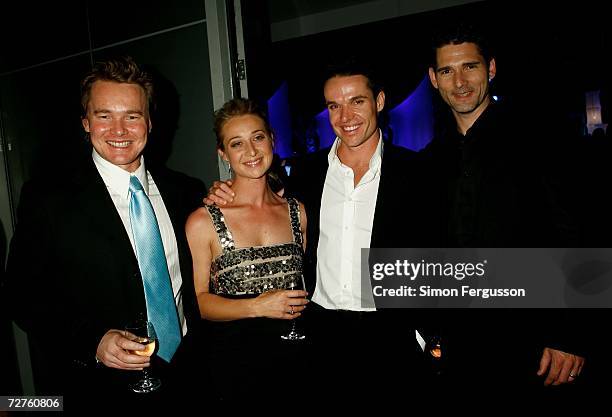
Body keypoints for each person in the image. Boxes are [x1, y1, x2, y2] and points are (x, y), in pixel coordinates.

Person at [205, 62, 439, 401]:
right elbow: (260, 196)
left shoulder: (417, 172)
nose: (346, 116)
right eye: (334, 105)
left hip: (390, 335)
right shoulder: (305, 173)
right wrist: (222, 189)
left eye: (357, 101)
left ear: (380, 101)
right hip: (320, 333)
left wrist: (426, 333)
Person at [4, 56, 206, 409]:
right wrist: (92, 340)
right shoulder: (49, 199)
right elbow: (23, 295)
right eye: (104, 116)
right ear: (85, 122)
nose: (119, 130)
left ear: (149, 122)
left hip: (187, 376)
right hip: (101, 391)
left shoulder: (186, 192)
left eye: (132, 115)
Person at [424, 23, 587, 396]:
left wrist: (569, 333)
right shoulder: (430, 161)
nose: (460, 81)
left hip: (534, 343)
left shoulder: (542, 140)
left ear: (491, 69)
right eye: (447, 71)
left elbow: (575, 233)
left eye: (471, 67)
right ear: (434, 79)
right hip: (458, 348)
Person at [185, 98, 308, 403]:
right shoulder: (204, 220)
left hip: (296, 359)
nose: (251, 151)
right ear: (223, 154)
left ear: (272, 140)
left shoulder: (298, 212)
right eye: (237, 143)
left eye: (258, 137)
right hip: (234, 366)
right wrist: (257, 306)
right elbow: (198, 303)